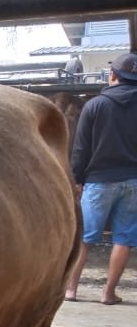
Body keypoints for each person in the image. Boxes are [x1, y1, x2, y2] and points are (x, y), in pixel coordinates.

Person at [64, 52, 137, 305]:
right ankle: (108, 293)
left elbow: (81, 148)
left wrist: (77, 179)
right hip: (133, 181)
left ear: (113, 75)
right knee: (124, 239)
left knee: (84, 237)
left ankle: (71, 290)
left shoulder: (95, 105)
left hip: (98, 181)